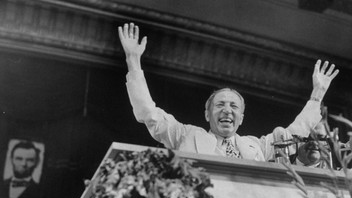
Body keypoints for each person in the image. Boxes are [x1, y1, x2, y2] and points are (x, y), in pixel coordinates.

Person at [119, 23, 339, 161]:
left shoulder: (257, 147)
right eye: (220, 105)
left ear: (241, 118)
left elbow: (293, 135)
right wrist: (133, 61)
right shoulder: (186, 135)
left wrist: (317, 95)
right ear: (207, 114)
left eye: (234, 106)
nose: (227, 110)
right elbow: (149, 113)